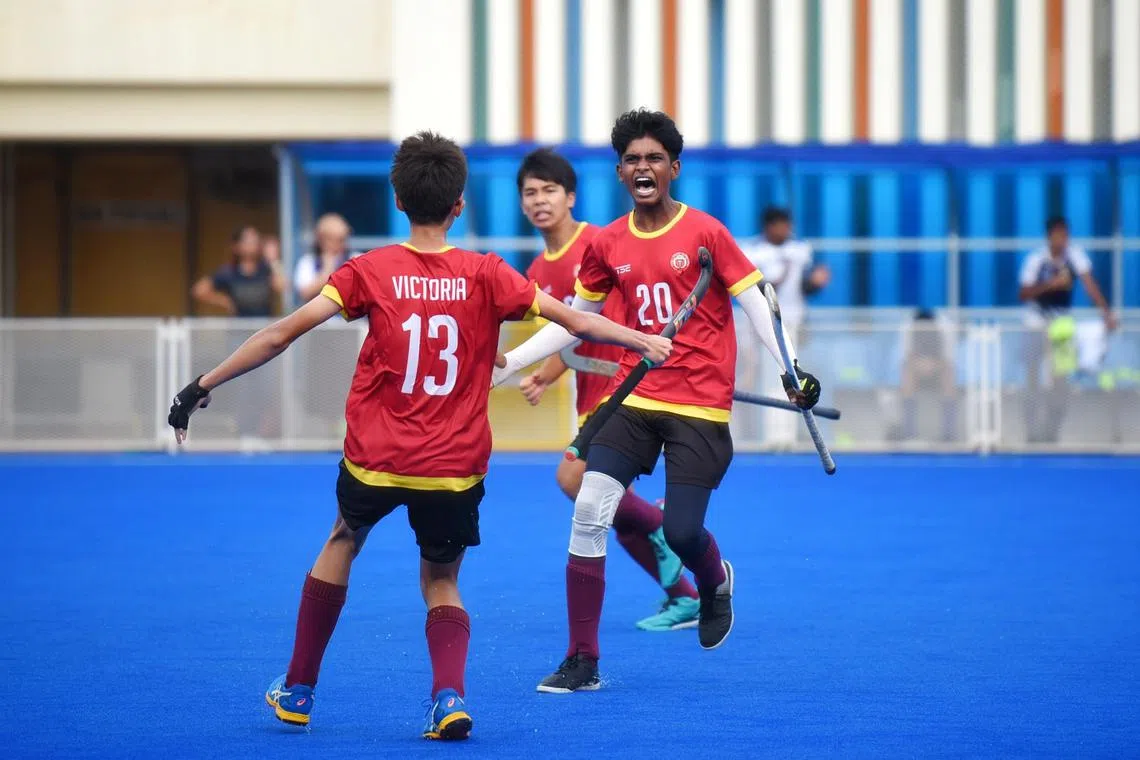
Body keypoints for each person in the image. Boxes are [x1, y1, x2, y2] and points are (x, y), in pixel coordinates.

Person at [166, 132, 671, 739]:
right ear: (459, 205)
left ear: (398, 200)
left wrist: (202, 384)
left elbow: (280, 334)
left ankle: (298, 688)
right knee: (441, 580)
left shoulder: (368, 271)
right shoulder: (488, 274)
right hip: (454, 465)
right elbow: (577, 319)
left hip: (375, 457)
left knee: (342, 541)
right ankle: (448, 697)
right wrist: (643, 341)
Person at [492, 109, 822, 693]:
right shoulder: (608, 243)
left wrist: (790, 372)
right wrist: (508, 365)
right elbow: (576, 320)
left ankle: (713, 581)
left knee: (683, 533)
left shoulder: (706, 233)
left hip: (699, 405)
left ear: (673, 168)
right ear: (620, 172)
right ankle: (582, 659)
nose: (643, 167)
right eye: (633, 160)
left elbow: (756, 304)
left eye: (654, 158)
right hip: (634, 398)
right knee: (589, 507)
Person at [513, 148, 700, 632]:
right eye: (530, 193)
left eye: (549, 190)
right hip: (588, 393)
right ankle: (684, 596)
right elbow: (572, 331)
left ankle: (668, 528)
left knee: (574, 482)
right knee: (611, 511)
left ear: (570, 196)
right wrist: (546, 373)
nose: (540, 201)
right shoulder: (538, 270)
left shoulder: (598, 243)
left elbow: (615, 313)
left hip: (622, 390)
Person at [1018, 215, 1118, 443]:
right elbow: (1023, 293)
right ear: (1049, 236)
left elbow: (1090, 284)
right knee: (1032, 376)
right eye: (1058, 235)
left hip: (1061, 322)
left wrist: (1106, 312)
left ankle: (1052, 430)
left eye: (1066, 234)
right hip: (1035, 320)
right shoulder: (1037, 260)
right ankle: (1031, 430)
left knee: (1060, 379)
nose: (1063, 239)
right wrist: (1049, 285)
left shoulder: (1074, 256)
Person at [743, 207, 829, 447]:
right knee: (774, 378)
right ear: (769, 226)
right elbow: (760, 289)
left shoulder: (800, 249)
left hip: (795, 321)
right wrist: (782, 274)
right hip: (765, 323)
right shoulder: (753, 251)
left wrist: (816, 283)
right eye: (781, 225)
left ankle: (789, 437)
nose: (786, 230)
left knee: (797, 377)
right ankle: (773, 437)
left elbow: (804, 287)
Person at [192, 225, 286, 317]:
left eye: (255, 240)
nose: (253, 244)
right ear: (236, 246)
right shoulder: (229, 272)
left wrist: (274, 261)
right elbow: (199, 290)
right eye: (248, 241)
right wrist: (225, 301)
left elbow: (282, 286)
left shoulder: (266, 268)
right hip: (239, 328)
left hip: (263, 326)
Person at [294, 212, 355, 302]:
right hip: (318, 315)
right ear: (321, 240)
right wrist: (326, 273)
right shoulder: (308, 262)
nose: (342, 244)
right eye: (336, 239)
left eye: (343, 239)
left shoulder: (356, 258)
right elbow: (304, 293)